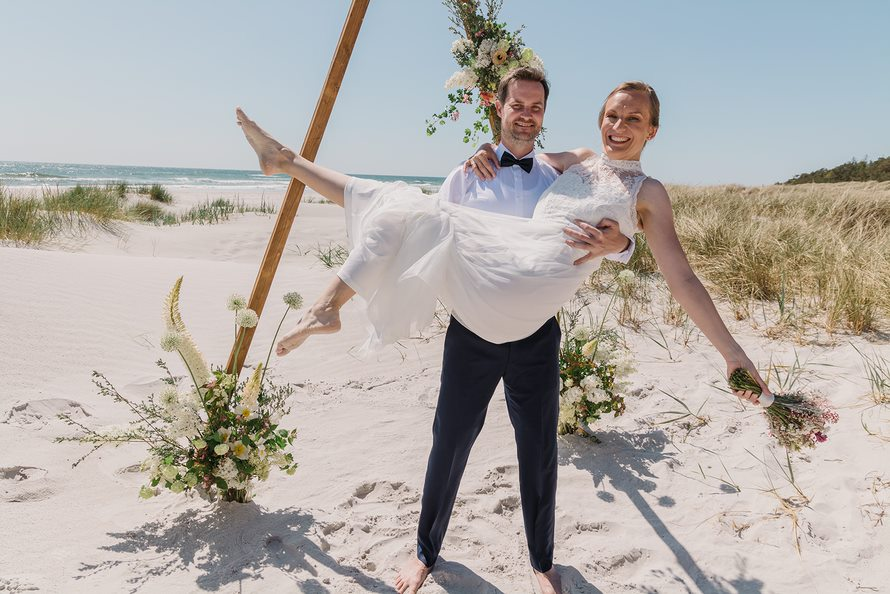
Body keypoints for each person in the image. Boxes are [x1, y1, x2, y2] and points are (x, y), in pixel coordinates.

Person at [236, 70, 770, 594]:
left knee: (538, 449)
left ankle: (542, 562)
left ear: (653, 130)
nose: (620, 125)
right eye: (612, 115)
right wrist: (479, 154)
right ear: (598, 119)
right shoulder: (573, 161)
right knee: (448, 433)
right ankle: (425, 551)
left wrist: (723, 344)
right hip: (477, 309)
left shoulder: (649, 192)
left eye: (634, 118)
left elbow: (680, 275)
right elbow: (523, 149)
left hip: (536, 330)